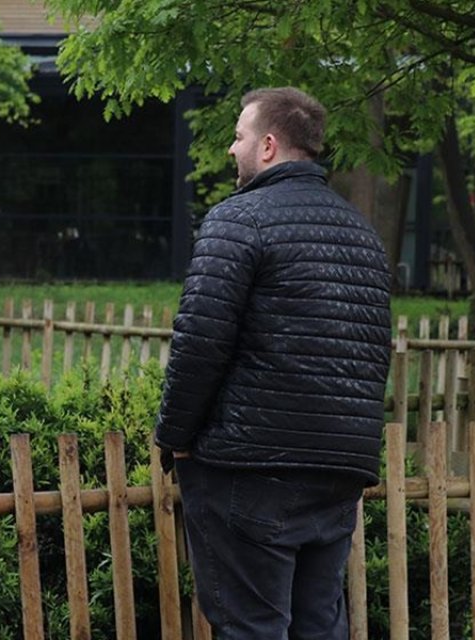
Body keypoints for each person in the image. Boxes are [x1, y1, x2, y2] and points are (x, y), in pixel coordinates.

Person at [155, 87, 392, 639]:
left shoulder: (237, 219)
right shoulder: (363, 234)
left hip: (252, 466)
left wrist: (175, 436)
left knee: (253, 627)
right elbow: (372, 351)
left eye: (237, 137)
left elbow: (201, 340)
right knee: (318, 626)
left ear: (266, 145)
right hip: (340, 469)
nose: (229, 150)